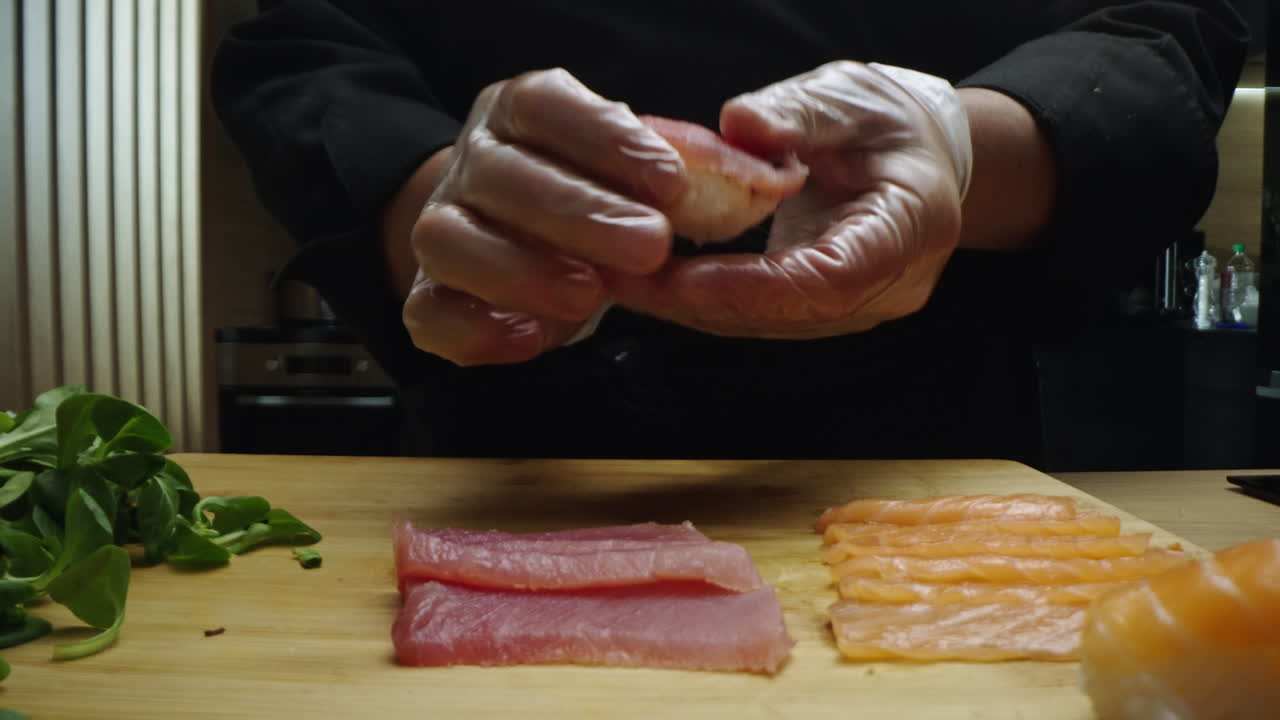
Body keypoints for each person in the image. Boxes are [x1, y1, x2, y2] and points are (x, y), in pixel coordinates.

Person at [211, 1, 1249, 462]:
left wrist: (961, 149)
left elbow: (1168, 32)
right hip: (511, 450)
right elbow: (302, 47)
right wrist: (447, 202)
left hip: (931, 451)